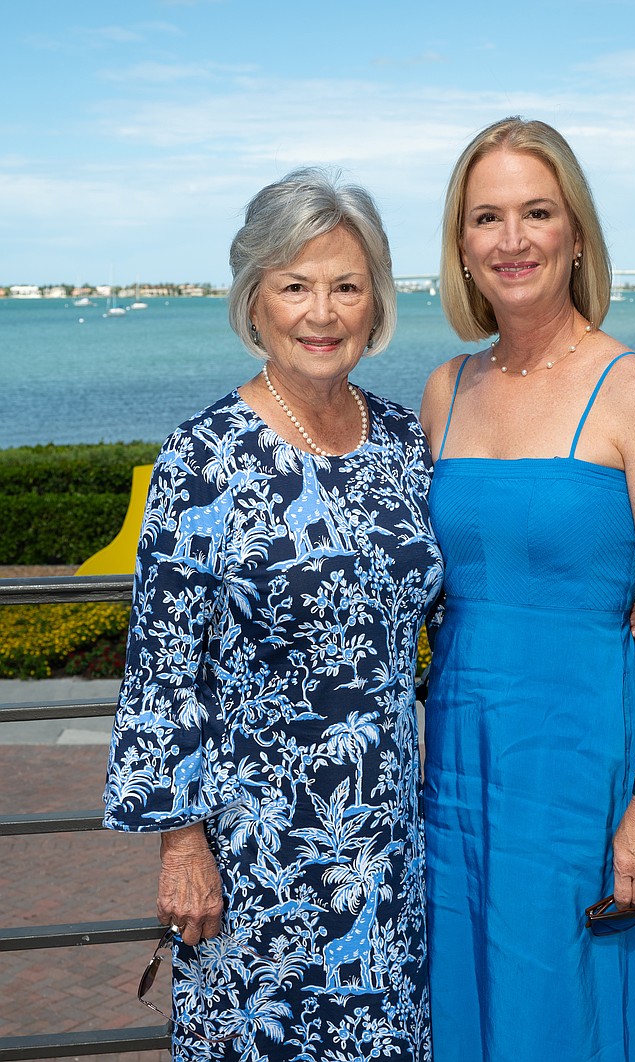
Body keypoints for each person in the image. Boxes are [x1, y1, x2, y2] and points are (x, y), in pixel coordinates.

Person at [103, 168, 442, 1059]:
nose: (321, 312)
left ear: (377, 304)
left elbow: (452, 600)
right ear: (255, 301)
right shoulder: (204, 457)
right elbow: (162, 666)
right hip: (253, 860)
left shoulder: (406, 443)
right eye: (295, 286)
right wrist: (181, 846)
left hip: (389, 851)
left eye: (345, 285)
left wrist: (616, 592)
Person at [420, 118, 635, 1061]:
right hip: (459, 762)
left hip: (584, 759)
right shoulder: (444, 390)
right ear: (461, 249)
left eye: (536, 212)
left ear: (576, 234)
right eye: (487, 218)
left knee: (573, 1004)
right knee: (470, 994)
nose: (512, 240)